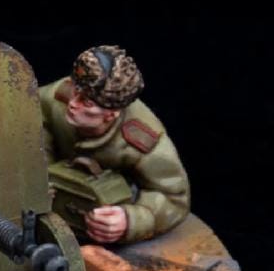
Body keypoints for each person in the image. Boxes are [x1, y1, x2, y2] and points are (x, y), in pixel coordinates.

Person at [40, 45, 190, 244]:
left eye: (87, 103)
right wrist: (39, 177)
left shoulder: (142, 141)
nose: (73, 103)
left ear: (111, 115)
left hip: (98, 223)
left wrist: (130, 220)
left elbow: (174, 198)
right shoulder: (52, 100)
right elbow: (27, 128)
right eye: (76, 90)